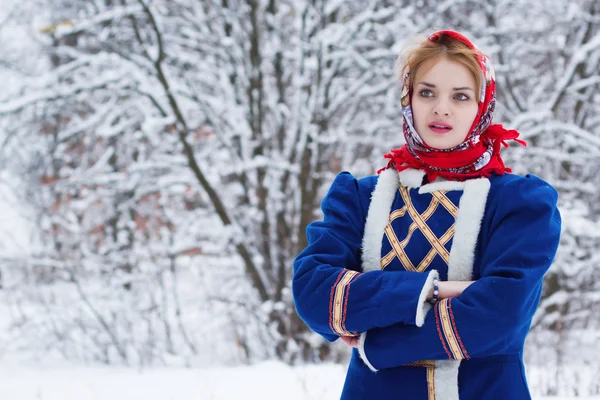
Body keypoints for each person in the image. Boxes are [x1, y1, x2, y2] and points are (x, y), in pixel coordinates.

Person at [292, 30, 561, 400]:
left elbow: (501, 315)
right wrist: (432, 291)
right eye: (427, 92)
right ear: (408, 98)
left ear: (482, 105)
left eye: (461, 96)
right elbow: (313, 293)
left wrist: (376, 339)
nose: (442, 108)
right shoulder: (360, 197)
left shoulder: (519, 203)